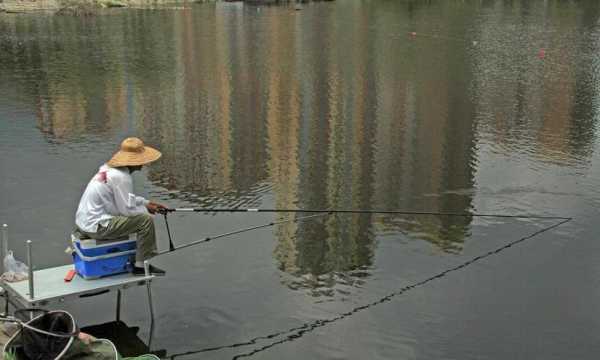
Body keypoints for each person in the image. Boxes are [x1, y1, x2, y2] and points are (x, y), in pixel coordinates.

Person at [75, 137, 168, 276]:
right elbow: (127, 211)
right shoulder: (123, 178)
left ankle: (135, 256)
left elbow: (122, 199)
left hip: (84, 223)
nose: (144, 164)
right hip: (96, 226)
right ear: (134, 162)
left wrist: (145, 203)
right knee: (145, 221)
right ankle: (140, 266)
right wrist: (147, 211)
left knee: (139, 217)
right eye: (142, 160)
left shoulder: (108, 170)